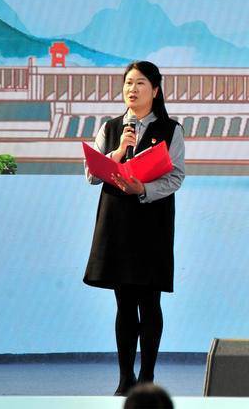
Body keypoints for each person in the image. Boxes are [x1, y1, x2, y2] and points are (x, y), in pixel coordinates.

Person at [83, 61, 185, 396]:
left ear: (155, 90)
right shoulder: (111, 128)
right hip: (117, 222)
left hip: (152, 221)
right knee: (124, 302)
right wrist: (118, 152)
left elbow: (176, 176)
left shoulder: (171, 129)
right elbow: (91, 174)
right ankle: (125, 378)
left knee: (149, 300)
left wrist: (144, 189)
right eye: (128, 83)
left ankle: (147, 376)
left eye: (140, 83)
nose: (132, 89)